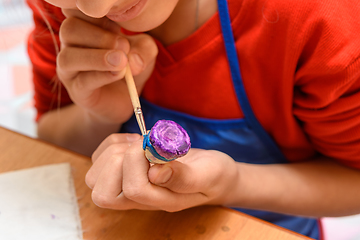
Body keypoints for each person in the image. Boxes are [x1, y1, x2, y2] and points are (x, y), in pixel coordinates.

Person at [26, 0, 360, 239]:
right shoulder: (63, 11)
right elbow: (54, 143)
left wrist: (234, 184)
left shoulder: (314, 19)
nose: (97, 8)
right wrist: (97, 116)